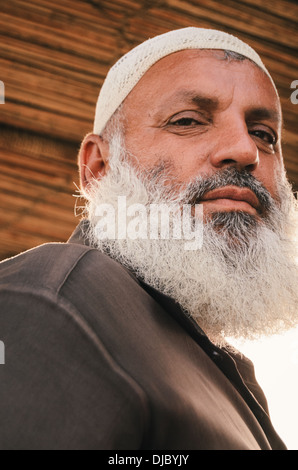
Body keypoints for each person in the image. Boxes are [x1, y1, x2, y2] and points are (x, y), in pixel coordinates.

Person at [0, 27, 297, 450]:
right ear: (99, 166)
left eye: (264, 134)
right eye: (188, 121)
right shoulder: (51, 299)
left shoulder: (224, 371)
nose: (244, 149)